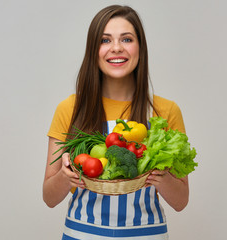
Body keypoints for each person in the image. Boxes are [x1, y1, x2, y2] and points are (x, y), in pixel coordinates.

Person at [43, 5, 190, 239]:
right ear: (94, 50)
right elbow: (49, 198)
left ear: (140, 48)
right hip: (83, 234)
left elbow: (181, 201)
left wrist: (160, 179)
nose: (116, 48)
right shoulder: (70, 109)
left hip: (146, 234)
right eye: (105, 40)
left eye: (127, 39)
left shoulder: (165, 111)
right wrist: (64, 176)